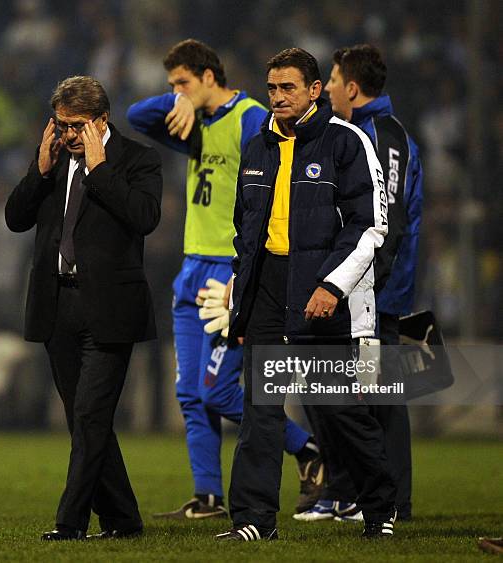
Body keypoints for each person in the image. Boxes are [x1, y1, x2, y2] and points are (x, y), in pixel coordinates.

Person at [127, 39, 323, 519]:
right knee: (190, 394)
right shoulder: (192, 122)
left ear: (209, 77)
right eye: (171, 84)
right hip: (192, 267)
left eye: (182, 82)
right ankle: (209, 495)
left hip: (228, 271)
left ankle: (308, 449)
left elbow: (280, 176)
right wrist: (177, 100)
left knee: (218, 390)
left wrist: (247, 270)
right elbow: (136, 115)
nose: (175, 92)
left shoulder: (251, 117)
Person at [215, 47, 397, 542]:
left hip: (323, 292)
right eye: (271, 88)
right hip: (269, 292)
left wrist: (331, 285)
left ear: (315, 90)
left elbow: (371, 227)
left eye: (287, 87)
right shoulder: (258, 147)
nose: (277, 97)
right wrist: (242, 288)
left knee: (340, 411)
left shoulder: (346, 142)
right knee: (261, 412)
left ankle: (382, 509)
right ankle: (253, 521)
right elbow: (243, 230)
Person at [5, 76, 162, 540]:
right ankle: (123, 521)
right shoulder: (52, 162)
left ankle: (69, 523)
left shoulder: (137, 159)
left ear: (102, 119)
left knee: (91, 418)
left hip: (110, 309)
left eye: (77, 126)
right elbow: (15, 219)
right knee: (86, 422)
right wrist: (39, 169)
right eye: (61, 124)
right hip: (58, 308)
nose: (69, 134)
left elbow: (145, 217)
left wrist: (99, 170)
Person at [295, 43, 422, 523]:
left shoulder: (384, 136)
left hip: (379, 295)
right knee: (342, 394)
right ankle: (348, 493)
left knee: (381, 400)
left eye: (330, 81)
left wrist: (364, 286)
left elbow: (384, 224)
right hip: (360, 290)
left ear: (351, 87)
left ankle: (392, 504)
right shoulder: (357, 132)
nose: (326, 89)